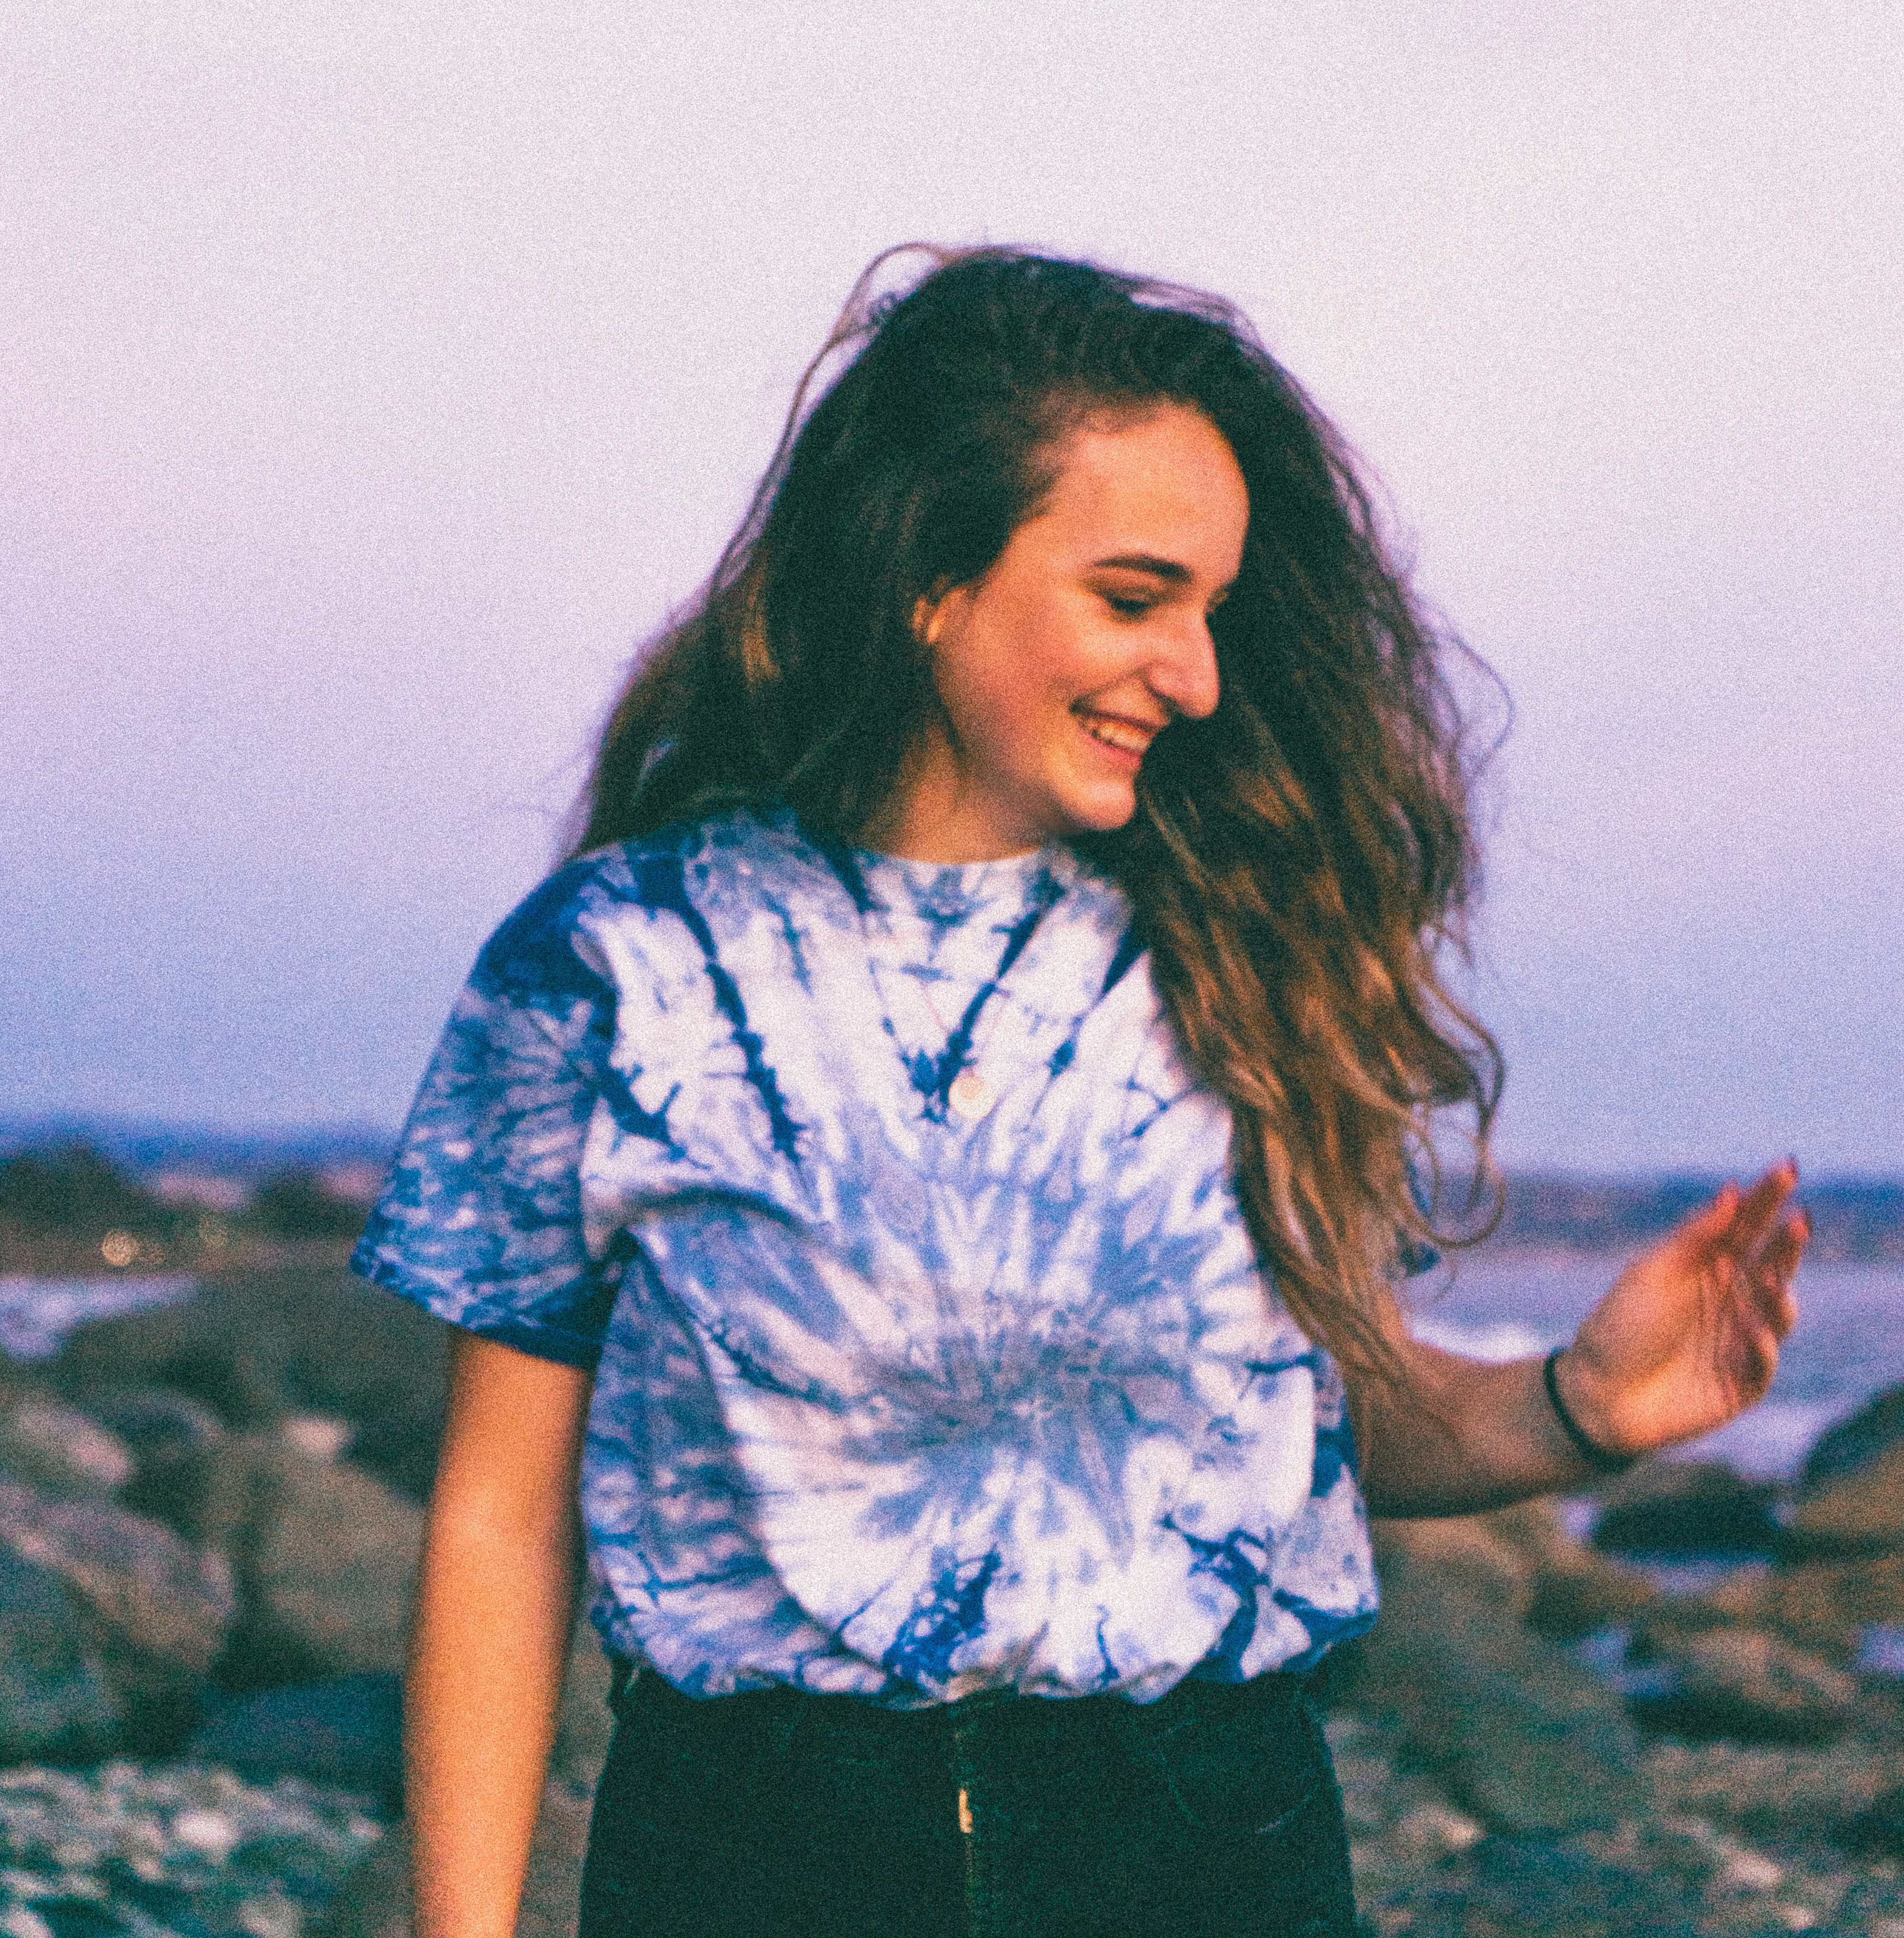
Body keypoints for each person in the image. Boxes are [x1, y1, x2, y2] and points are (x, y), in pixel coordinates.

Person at [353, 246, 1807, 1938]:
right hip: (747, 1865)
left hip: (1206, 1856)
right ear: (928, 578)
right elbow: (495, 1524)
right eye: (1134, 600)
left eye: (1211, 612)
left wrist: (1573, 1404)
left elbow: (1312, 1428)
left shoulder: (1252, 955)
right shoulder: (616, 964)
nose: (1192, 672)